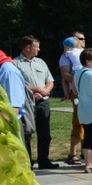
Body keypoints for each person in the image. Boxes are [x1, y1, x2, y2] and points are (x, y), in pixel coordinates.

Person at [13, 35, 59, 169]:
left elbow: (50, 80)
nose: (39, 50)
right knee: (27, 133)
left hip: (43, 102)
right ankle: (27, 162)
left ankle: (44, 161)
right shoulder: (14, 63)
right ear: (28, 48)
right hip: (26, 103)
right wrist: (37, 90)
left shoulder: (41, 62)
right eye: (36, 47)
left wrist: (44, 91)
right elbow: (17, 83)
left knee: (45, 133)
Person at [59, 34, 84, 164]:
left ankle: (87, 151)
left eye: (83, 38)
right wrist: (85, 79)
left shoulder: (83, 53)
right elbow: (65, 76)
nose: (82, 41)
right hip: (77, 90)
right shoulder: (65, 56)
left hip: (87, 90)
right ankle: (73, 153)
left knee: (90, 121)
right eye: (79, 39)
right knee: (78, 120)